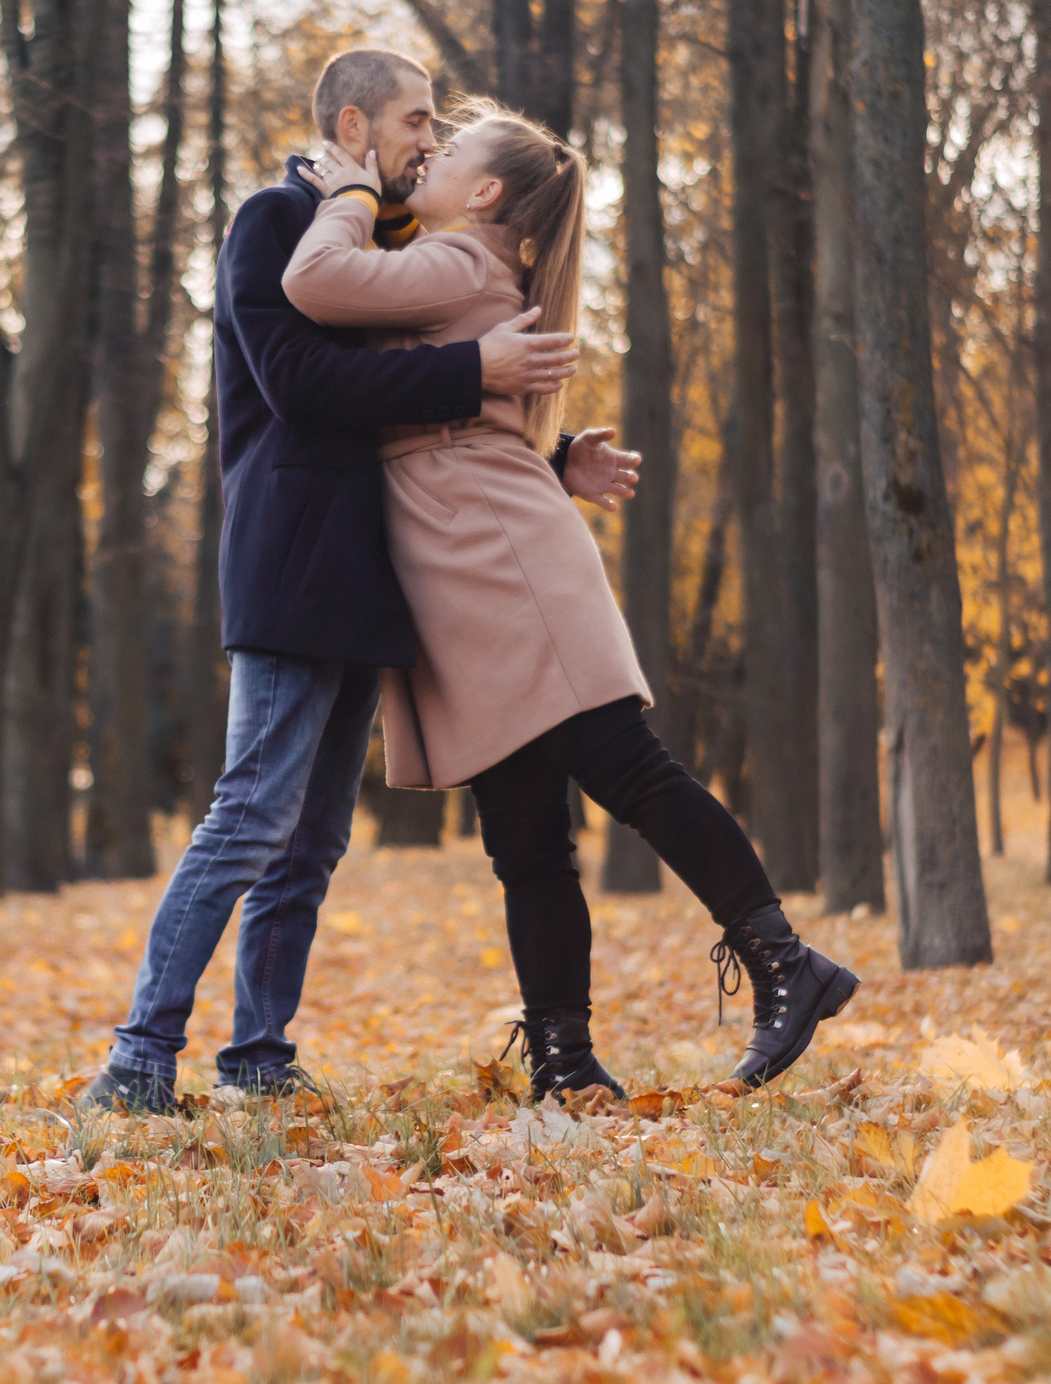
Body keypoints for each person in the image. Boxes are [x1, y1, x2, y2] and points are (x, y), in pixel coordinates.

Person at [283, 102, 859, 1099]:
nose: (433, 157)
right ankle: (566, 1060)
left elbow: (312, 281)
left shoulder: (460, 258)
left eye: (451, 152)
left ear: (488, 194)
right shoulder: (460, 266)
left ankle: (783, 962)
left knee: (624, 771)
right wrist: (554, 456)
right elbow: (438, 407)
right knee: (522, 835)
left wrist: (347, 188)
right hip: (476, 563)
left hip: (505, 568)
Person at [80, 51, 620, 1113]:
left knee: (314, 839)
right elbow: (301, 383)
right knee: (250, 814)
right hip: (293, 554)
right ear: (353, 121)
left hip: (372, 573)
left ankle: (258, 1058)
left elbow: (413, 428)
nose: (430, 138)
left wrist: (552, 464)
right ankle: (138, 1057)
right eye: (417, 120)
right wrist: (476, 370)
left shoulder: (383, 241)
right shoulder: (275, 221)